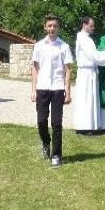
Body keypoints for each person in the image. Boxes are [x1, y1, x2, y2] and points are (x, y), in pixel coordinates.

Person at [31, 14, 74, 168]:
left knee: (56, 123)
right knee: (41, 121)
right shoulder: (39, 46)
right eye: (49, 26)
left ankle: (56, 155)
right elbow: (35, 68)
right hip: (42, 87)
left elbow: (68, 70)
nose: (52, 28)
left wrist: (68, 92)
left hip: (57, 88)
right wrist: (33, 89)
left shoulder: (64, 47)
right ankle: (46, 142)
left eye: (55, 26)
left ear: (58, 28)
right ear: (45, 27)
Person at [74, 17, 105, 134]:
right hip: (86, 72)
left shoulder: (85, 39)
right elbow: (95, 57)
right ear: (84, 25)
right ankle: (85, 127)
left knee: (88, 99)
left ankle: (87, 126)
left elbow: (95, 55)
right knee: (87, 99)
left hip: (89, 71)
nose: (93, 28)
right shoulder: (85, 39)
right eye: (91, 26)